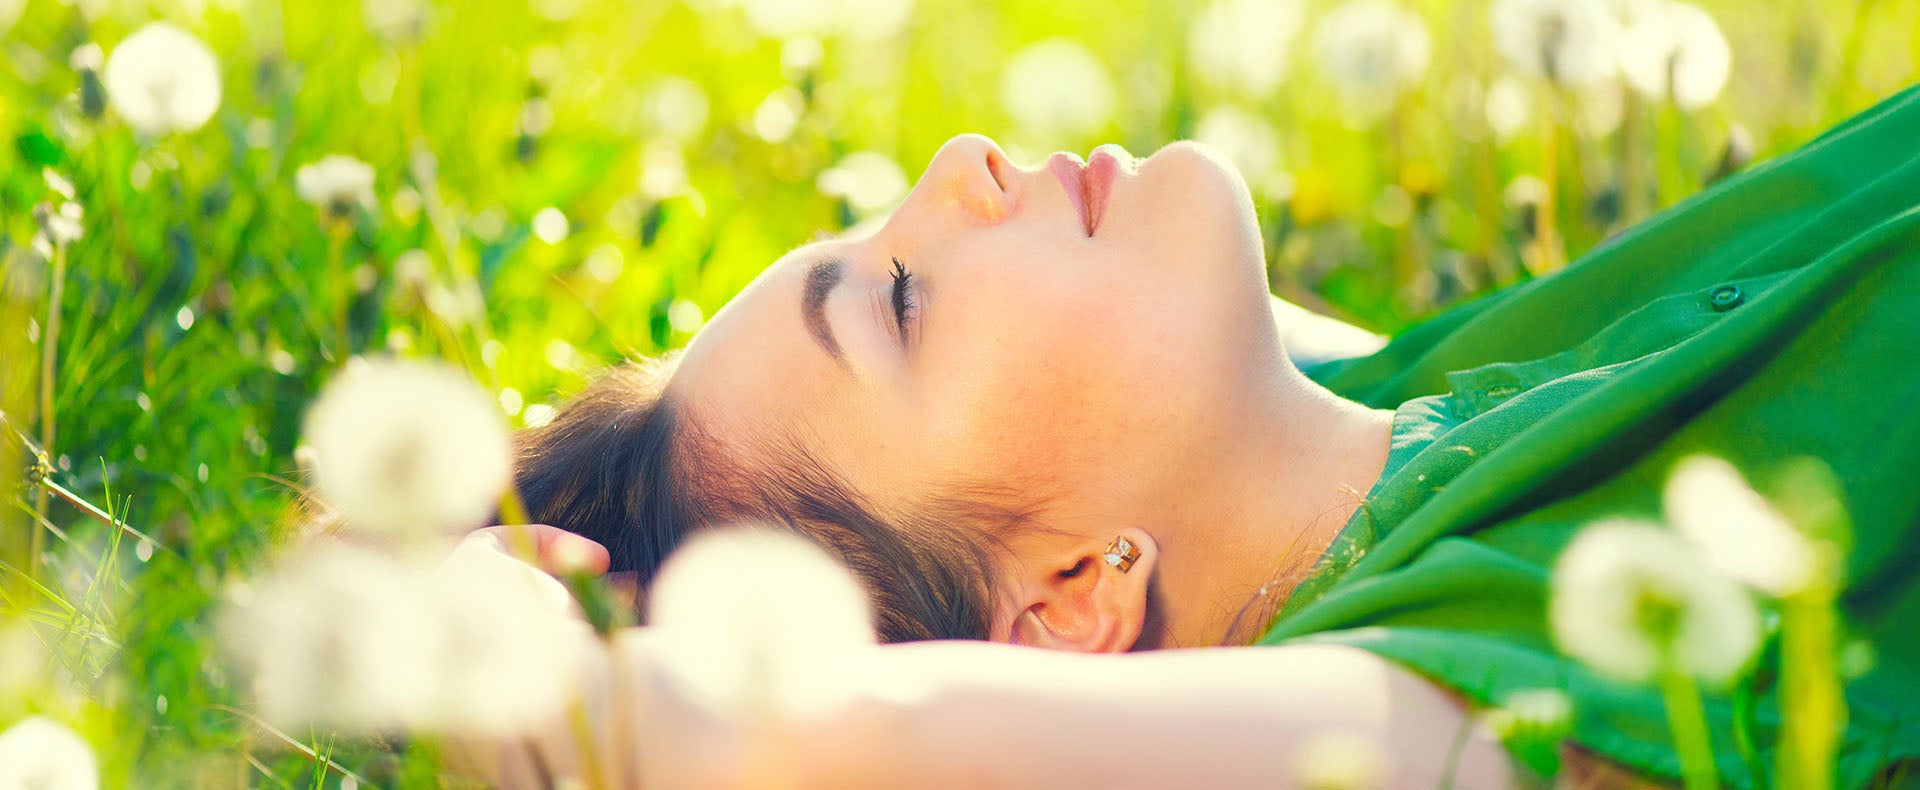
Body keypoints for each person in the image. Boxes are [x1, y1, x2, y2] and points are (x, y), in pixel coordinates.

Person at [475, 84, 1920, 788]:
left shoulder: (1442, 388)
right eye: (902, 305)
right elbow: (841, 729)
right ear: (1069, 598)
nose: (953, 169)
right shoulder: (1459, 677)